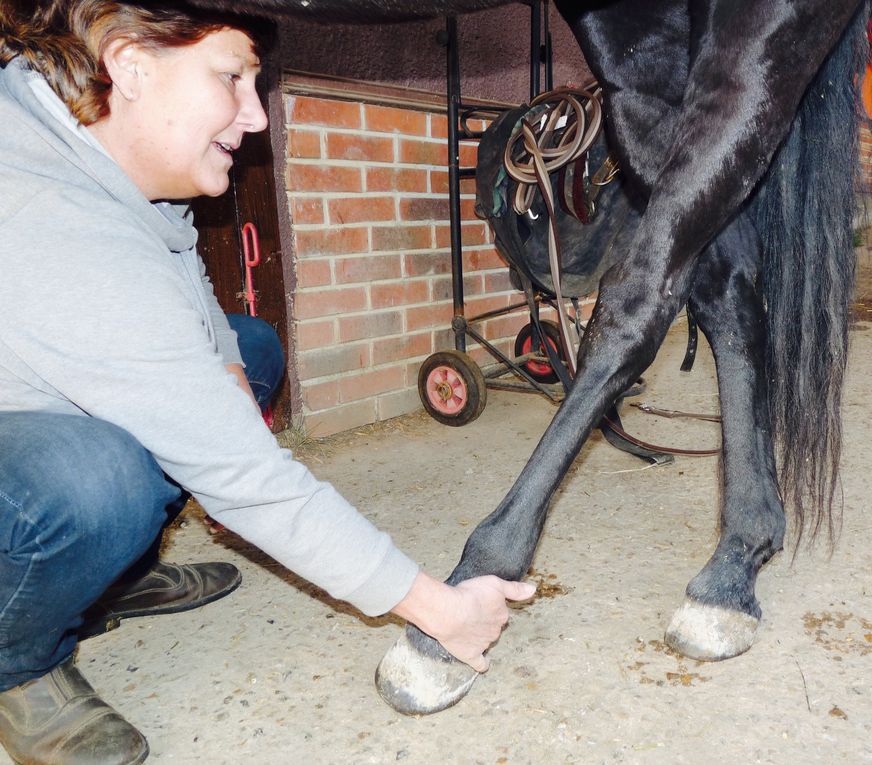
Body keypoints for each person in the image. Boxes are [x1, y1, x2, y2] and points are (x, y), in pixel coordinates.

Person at [0, 2, 536, 763]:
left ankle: (106, 576)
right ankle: (19, 663)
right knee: (94, 479)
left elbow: (179, 262)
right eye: (232, 78)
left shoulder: (101, 147)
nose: (253, 117)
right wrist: (440, 608)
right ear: (129, 64)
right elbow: (246, 481)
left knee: (246, 348)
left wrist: (224, 382)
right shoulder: (45, 214)